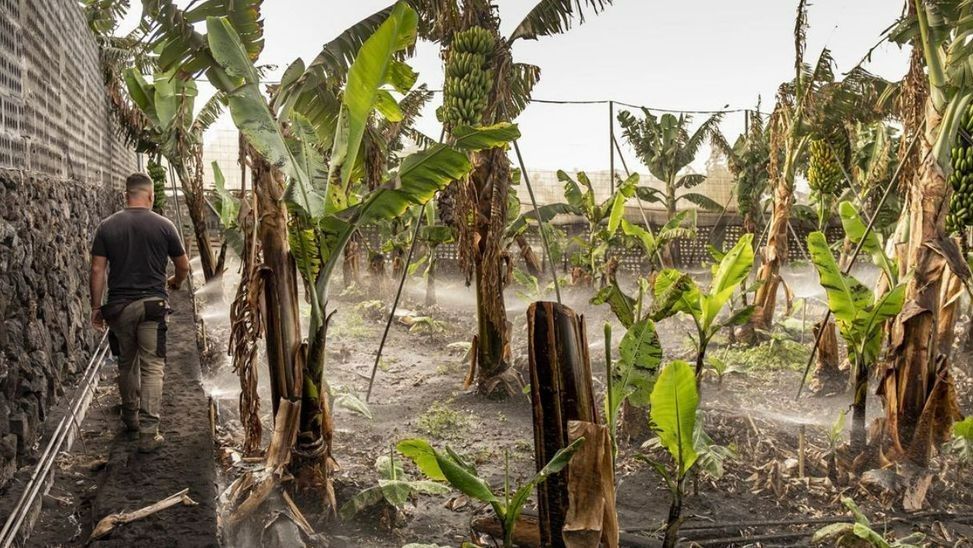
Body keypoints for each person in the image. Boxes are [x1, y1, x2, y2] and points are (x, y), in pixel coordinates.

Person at [89, 173, 190, 453]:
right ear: (151, 195)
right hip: (152, 307)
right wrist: (176, 283)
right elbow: (182, 266)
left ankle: (131, 418)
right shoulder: (164, 225)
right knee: (153, 367)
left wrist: (96, 307)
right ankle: (149, 431)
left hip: (119, 309)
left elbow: (97, 270)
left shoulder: (107, 227)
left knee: (126, 363)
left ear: (126, 195)